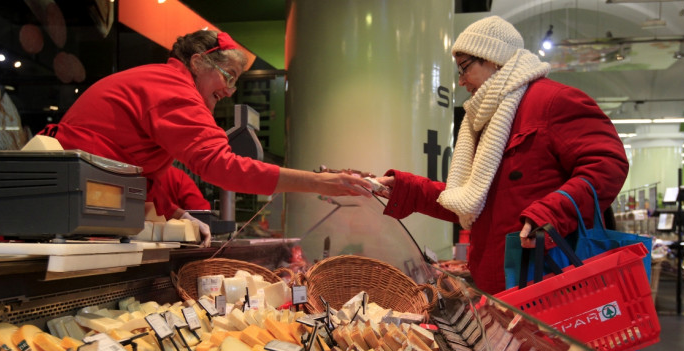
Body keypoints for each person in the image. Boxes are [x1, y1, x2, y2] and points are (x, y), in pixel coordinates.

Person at [39, 30, 372, 247]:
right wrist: (316, 183)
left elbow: (143, 173)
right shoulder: (173, 88)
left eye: (235, 83)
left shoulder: (163, 82)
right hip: (69, 203)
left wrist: (177, 213)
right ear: (197, 63)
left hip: (79, 202)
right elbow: (220, 165)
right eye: (227, 75)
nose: (228, 90)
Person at [375, 16, 628, 295]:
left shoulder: (554, 102)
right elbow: (473, 201)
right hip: (500, 287)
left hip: (551, 282)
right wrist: (405, 189)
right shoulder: (485, 119)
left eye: (464, 68)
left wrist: (551, 214)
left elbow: (607, 166)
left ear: (493, 59)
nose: (460, 82)